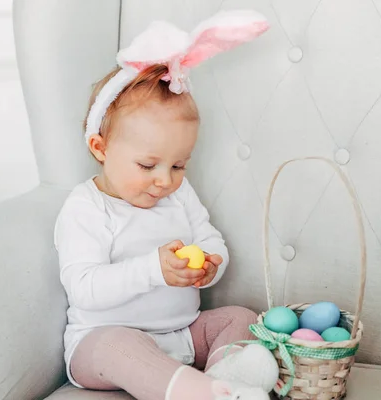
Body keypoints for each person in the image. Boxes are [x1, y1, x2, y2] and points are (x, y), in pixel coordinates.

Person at [54, 10, 278, 400]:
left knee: (242, 318)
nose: (165, 180)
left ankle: (229, 381)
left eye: (178, 165)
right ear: (100, 148)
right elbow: (85, 289)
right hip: (100, 343)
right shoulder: (86, 207)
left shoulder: (179, 192)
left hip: (181, 335)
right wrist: (153, 270)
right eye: (147, 165)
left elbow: (211, 239)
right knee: (119, 345)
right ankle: (203, 394)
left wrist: (210, 265)